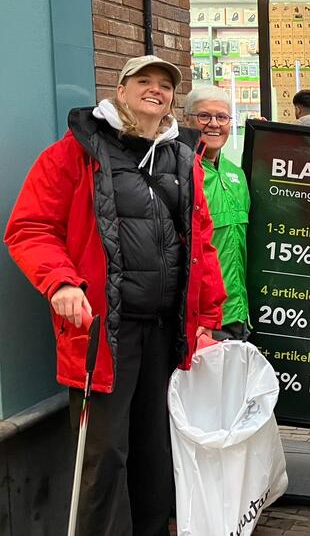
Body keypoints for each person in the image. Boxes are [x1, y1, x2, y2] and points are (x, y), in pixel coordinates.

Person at [4, 55, 226, 535]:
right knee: (103, 456)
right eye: (143, 81)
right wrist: (60, 280)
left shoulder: (183, 159)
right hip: (104, 335)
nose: (156, 90)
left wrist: (209, 317)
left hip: (165, 334)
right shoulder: (74, 152)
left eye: (165, 85)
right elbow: (29, 228)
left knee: (155, 452)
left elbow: (201, 243)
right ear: (121, 91)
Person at [185, 85, 251, 340]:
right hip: (203, 322)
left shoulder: (237, 174)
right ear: (187, 119)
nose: (214, 124)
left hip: (239, 315)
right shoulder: (181, 173)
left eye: (222, 117)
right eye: (204, 116)